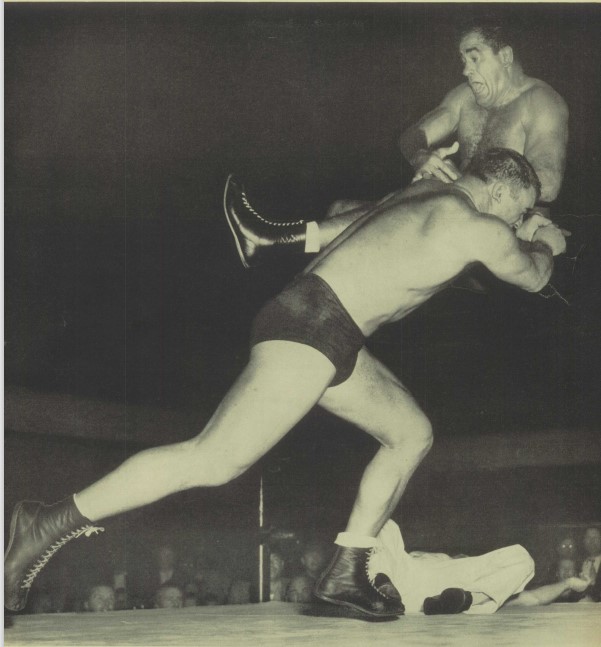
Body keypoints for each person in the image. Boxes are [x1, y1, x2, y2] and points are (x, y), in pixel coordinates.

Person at [4, 148, 567, 619]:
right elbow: (533, 274)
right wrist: (544, 240)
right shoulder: (479, 225)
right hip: (313, 327)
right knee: (212, 459)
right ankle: (47, 521)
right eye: (517, 213)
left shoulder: (419, 194)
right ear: (499, 193)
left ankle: (349, 568)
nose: (513, 227)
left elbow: (343, 215)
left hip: (326, 326)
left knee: (410, 433)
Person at [223, 21, 568, 268]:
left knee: (419, 198)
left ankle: (274, 240)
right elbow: (410, 136)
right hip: (454, 206)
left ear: (505, 56)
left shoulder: (542, 102)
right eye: (462, 60)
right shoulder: (464, 98)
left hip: (508, 225)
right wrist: (422, 157)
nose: (465, 70)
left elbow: (548, 186)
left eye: (474, 57)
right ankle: (315, 310)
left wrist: (465, 184)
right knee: (341, 207)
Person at [368, 520, 591, 614]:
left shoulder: (470, 569)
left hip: (448, 591)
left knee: (522, 557)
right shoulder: (418, 556)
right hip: (401, 578)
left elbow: (532, 598)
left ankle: (467, 599)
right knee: (385, 523)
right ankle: (380, 587)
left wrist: (569, 583)